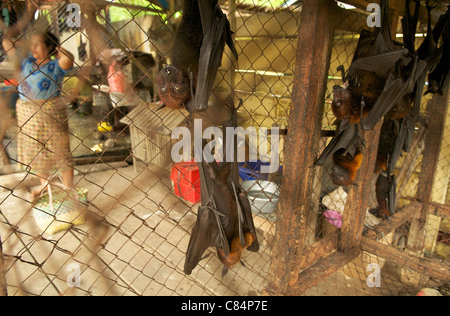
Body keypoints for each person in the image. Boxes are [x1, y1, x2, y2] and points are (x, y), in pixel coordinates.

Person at [2, 30, 75, 198]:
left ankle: (69, 189)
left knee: (61, 150)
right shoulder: (25, 62)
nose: (33, 48)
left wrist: (56, 46)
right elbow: (7, 43)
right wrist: (25, 42)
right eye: (32, 44)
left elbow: (68, 57)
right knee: (37, 152)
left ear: (49, 47)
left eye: (38, 44)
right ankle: (45, 186)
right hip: (28, 114)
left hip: (51, 112)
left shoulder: (57, 65)